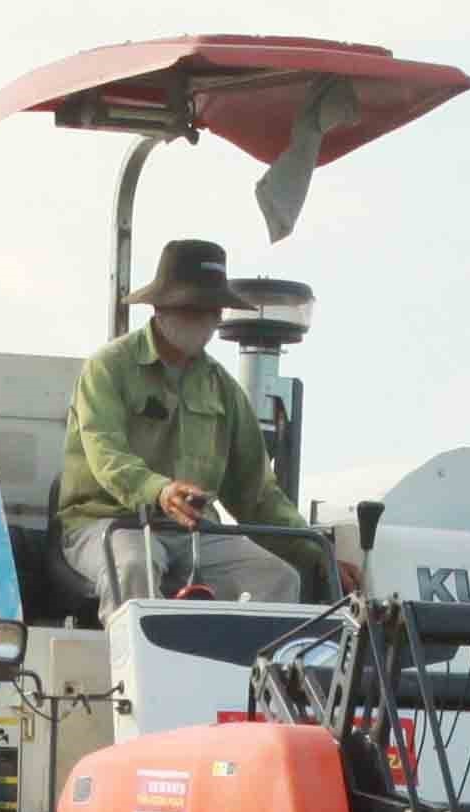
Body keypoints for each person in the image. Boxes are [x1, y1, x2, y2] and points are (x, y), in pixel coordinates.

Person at [54, 236, 321, 605]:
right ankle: (132, 664)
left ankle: (248, 664)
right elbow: (106, 454)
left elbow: (257, 493)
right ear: (160, 308)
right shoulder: (108, 368)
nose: (206, 319)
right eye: (191, 307)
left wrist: (317, 552)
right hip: (109, 523)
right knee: (136, 566)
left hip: (196, 532)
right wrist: (160, 492)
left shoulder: (223, 389)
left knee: (276, 578)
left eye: (212, 310)